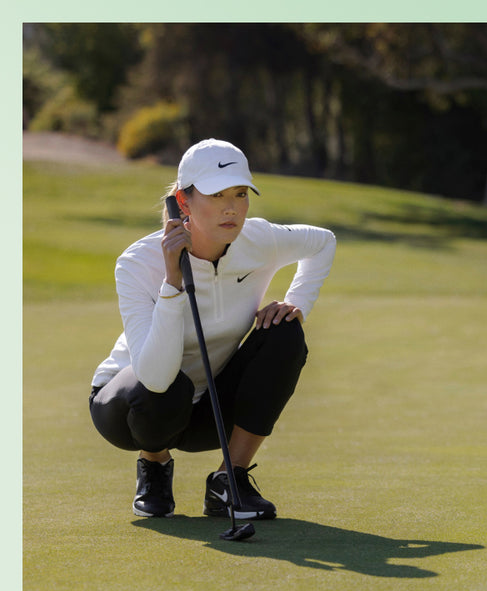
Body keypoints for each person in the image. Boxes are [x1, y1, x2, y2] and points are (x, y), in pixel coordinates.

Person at [89, 138, 336, 520]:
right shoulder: (137, 263)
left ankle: (228, 480)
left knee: (286, 332)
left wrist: (295, 305)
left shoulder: (259, 239)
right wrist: (172, 282)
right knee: (170, 384)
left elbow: (323, 242)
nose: (231, 208)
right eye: (217, 195)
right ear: (184, 202)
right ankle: (154, 465)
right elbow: (154, 378)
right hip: (132, 410)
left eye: (240, 194)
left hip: (210, 411)